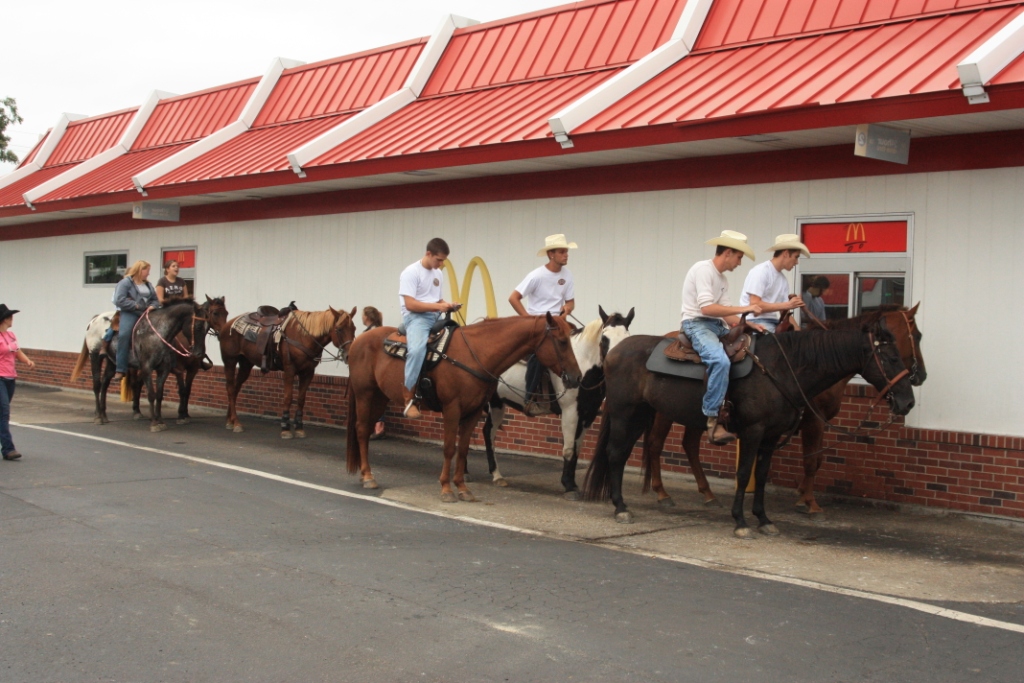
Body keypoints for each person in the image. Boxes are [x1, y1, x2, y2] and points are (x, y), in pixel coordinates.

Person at [680, 230, 763, 446]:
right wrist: (746, 308)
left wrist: (745, 323)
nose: (739, 262)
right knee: (719, 360)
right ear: (727, 253)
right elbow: (707, 308)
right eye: (739, 257)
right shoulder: (702, 270)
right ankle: (712, 419)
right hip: (697, 324)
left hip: (716, 325)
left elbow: (725, 312)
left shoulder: (722, 278)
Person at [509, 233, 577, 414]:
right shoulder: (536, 276)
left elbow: (571, 302)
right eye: (562, 252)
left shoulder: (567, 275)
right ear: (551, 255)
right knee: (538, 357)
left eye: (566, 251)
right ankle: (529, 397)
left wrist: (567, 310)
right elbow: (514, 298)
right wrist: (528, 319)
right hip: (538, 324)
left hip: (558, 322)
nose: (566, 255)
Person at [398, 238, 461, 419]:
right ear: (428, 254)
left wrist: (448, 305)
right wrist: (438, 307)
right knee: (417, 350)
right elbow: (410, 304)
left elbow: (437, 299)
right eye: (438, 260)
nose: (441, 264)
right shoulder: (410, 272)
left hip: (435, 316)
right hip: (416, 319)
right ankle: (408, 398)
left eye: (443, 261)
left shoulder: (437, 273)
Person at [739, 234, 810, 333]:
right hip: (753, 321)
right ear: (785, 253)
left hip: (773, 323)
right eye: (796, 257)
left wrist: (800, 334)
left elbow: (785, 313)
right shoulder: (761, 271)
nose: (797, 262)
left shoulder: (783, 279)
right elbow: (754, 304)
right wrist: (787, 305)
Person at [112, 260, 160, 381]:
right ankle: (120, 368)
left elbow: (155, 299)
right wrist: (136, 305)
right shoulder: (125, 283)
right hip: (131, 313)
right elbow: (119, 300)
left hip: (147, 313)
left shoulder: (148, 285)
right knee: (124, 335)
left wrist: (153, 306)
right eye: (147, 271)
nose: (148, 274)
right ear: (140, 270)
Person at [0, 304, 36, 461]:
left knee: (3, 414)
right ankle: (8, 449)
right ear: (4, 319)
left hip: (10, 378)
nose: (12, 318)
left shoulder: (11, 335)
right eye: (9, 316)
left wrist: (27, 360)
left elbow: (16, 351)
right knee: (4, 411)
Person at [362, 306, 386, 439]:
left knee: (371, 400)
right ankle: (379, 426)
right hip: (381, 371)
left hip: (372, 371)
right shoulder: (381, 331)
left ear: (367, 317)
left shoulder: (369, 334)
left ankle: (376, 428)